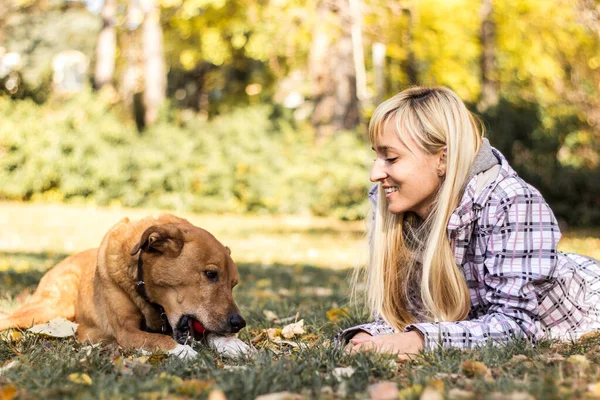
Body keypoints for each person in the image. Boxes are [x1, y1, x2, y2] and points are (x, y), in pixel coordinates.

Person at [338, 86, 600, 357]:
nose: (374, 174)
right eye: (376, 156)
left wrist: (418, 341)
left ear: (443, 158)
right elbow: (412, 316)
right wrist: (371, 336)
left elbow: (517, 327)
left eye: (390, 158)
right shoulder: (393, 206)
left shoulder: (511, 201)